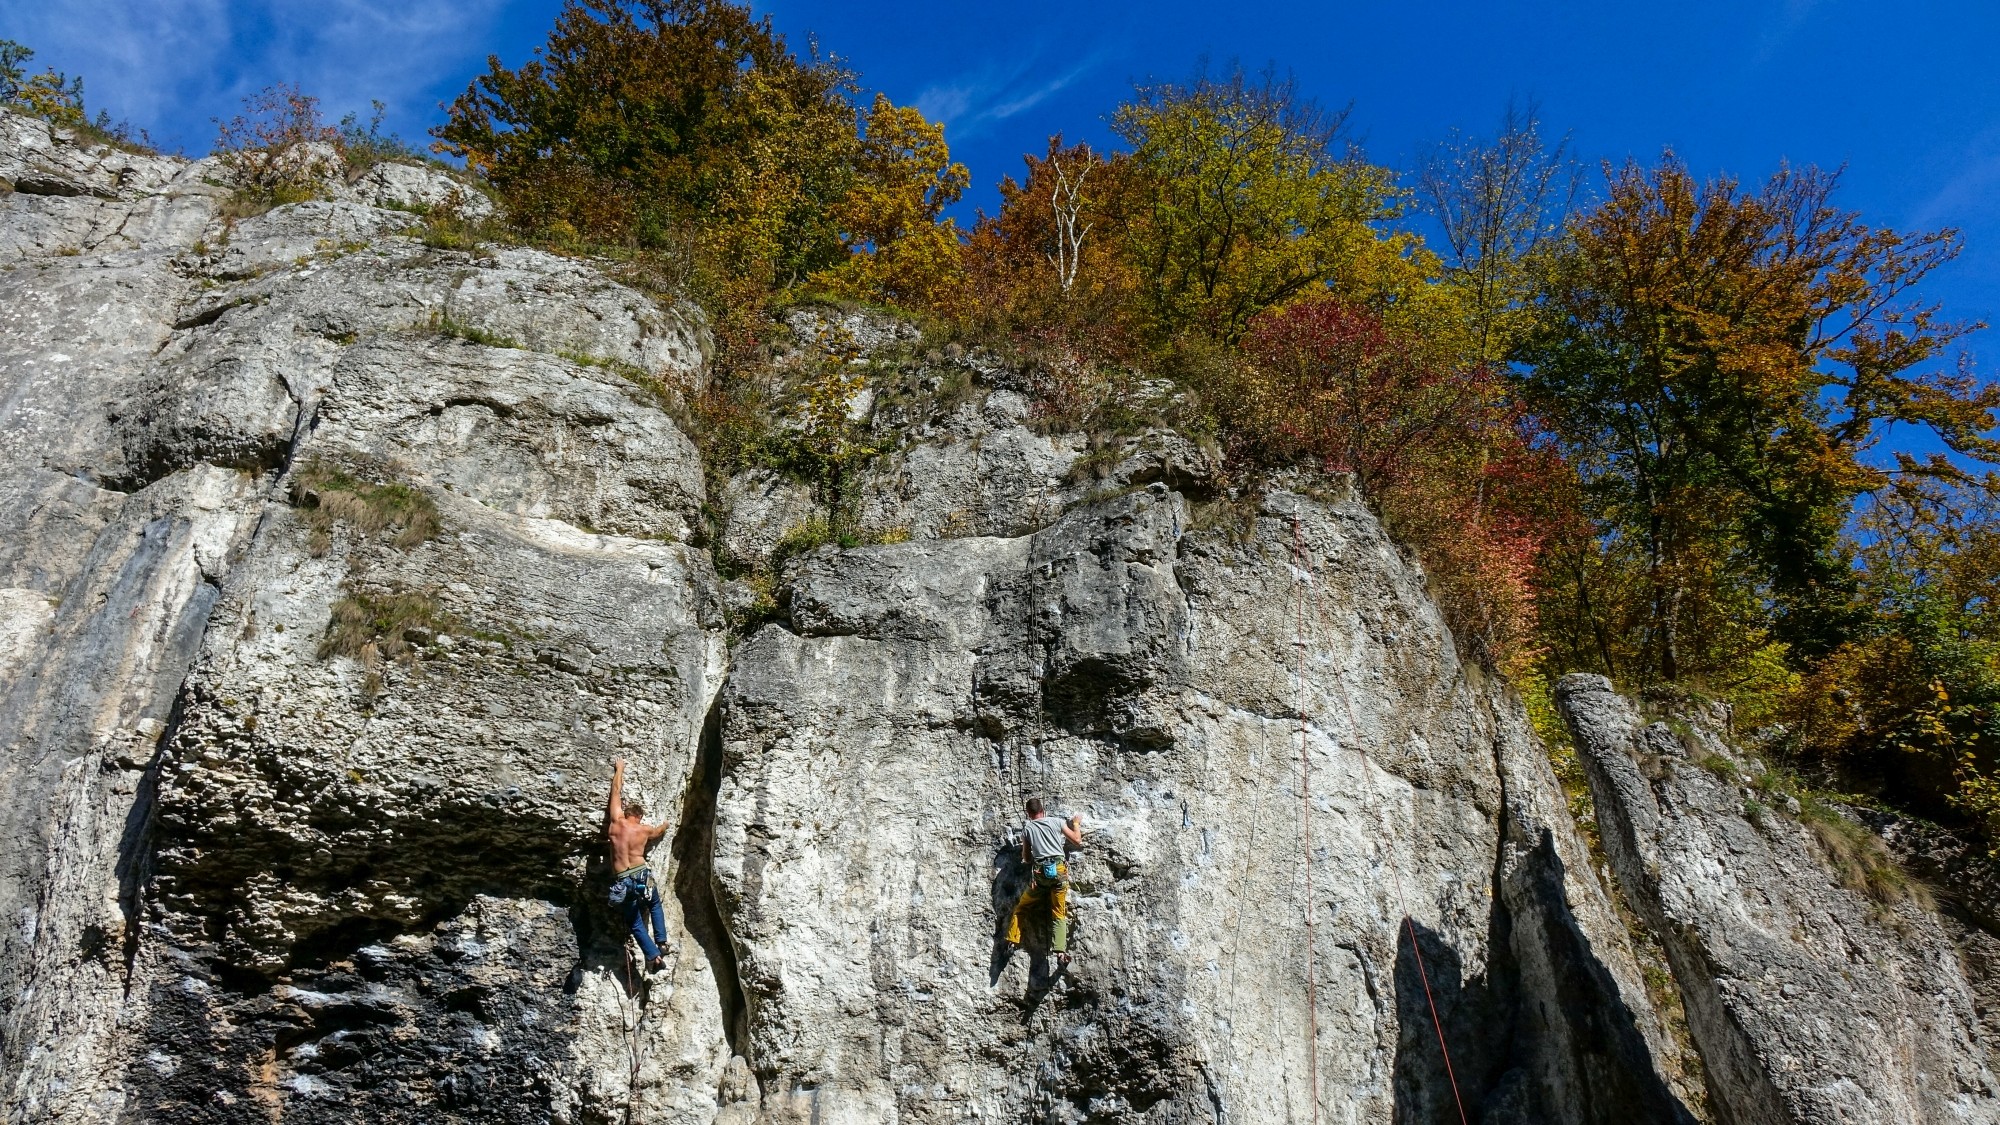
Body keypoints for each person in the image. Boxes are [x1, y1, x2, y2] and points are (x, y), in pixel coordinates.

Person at [607, 758, 672, 971]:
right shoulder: (644, 830)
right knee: (654, 903)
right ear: (640, 816)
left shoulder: (616, 822)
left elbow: (616, 791)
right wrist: (666, 824)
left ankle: (653, 955)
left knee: (635, 922)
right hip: (642, 875)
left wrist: (620, 769)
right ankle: (661, 941)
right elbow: (658, 832)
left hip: (623, 881)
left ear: (626, 813)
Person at [1005, 797, 1084, 965]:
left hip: (1040, 876)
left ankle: (1012, 939)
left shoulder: (1027, 829)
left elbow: (1026, 858)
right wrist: (1076, 823)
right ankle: (1060, 953)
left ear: (1028, 813)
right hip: (1059, 873)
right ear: (1043, 810)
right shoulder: (1056, 822)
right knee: (1058, 912)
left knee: (1022, 907)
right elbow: (1077, 840)